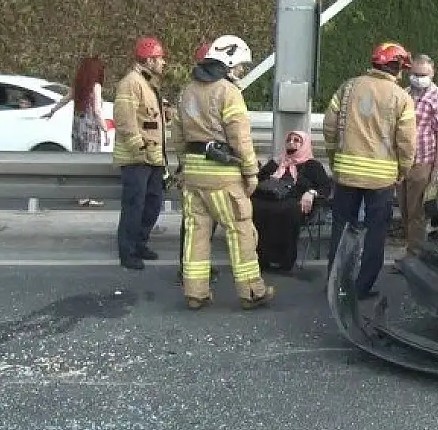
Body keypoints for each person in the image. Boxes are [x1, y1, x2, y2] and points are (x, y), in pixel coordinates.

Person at [173, 34, 275, 310]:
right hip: (223, 176)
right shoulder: (228, 92)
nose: (241, 71)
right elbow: (240, 137)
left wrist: (185, 165)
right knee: (240, 230)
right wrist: (251, 171)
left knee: (196, 232)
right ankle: (252, 292)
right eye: (240, 66)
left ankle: (195, 293)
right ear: (228, 62)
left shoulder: (186, 91)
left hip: (193, 174)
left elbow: (178, 137)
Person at [323, 41, 417, 299]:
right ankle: (362, 287)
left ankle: (335, 282)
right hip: (381, 180)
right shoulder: (401, 98)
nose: (402, 74)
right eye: (402, 69)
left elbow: (329, 127)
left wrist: (335, 159)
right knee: (376, 232)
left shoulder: (347, 87)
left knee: (341, 228)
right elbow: (407, 142)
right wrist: (403, 170)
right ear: (396, 66)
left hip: (345, 174)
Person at [113, 36, 169, 270]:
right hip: (137, 158)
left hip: (152, 157)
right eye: (159, 58)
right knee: (134, 206)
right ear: (148, 60)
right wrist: (138, 146)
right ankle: (128, 252)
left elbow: (150, 119)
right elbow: (125, 118)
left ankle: (140, 243)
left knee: (153, 203)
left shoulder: (148, 83)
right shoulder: (131, 83)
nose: (163, 62)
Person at [397, 53, 438, 260]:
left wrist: (436, 169)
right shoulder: (404, 94)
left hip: (423, 163)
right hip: (402, 163)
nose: (418, 77)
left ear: (432, 73)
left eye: (423, 74)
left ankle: (414, 257)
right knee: (404, 211)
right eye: (415, 73)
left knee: (417, 214)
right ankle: (411, 249)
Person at [252, 130, 331, 272]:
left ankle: (284, 259)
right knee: (256, 207)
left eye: (296, 140)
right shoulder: (278, 162)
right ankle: (262, 257)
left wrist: (311, 192)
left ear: (305, 144)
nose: (291, 143)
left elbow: (325, 187)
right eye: (289, 140)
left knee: (287, 211)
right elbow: (259, 179)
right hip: (271, 198)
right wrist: (273, 163)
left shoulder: (312, 165)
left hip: (296, 201)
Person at [174, 42, 219, 286]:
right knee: (228, 224)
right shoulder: (222, 91)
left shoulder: (187, 92)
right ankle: (197, 272)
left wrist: (182, 161)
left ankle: (189, 270)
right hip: (217, 166)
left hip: (192, 163)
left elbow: (177, 130)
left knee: (193, 222)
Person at [44, 55, 110, 206]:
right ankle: (89, 196)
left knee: (79, 161)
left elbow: (65, 99)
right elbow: (97, 111)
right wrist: (105, 129)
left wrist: (52, 111)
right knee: (91, 164)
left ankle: (81, 195)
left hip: (77, 126)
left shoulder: (80, 85)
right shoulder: (95, 86)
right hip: (90, 128)